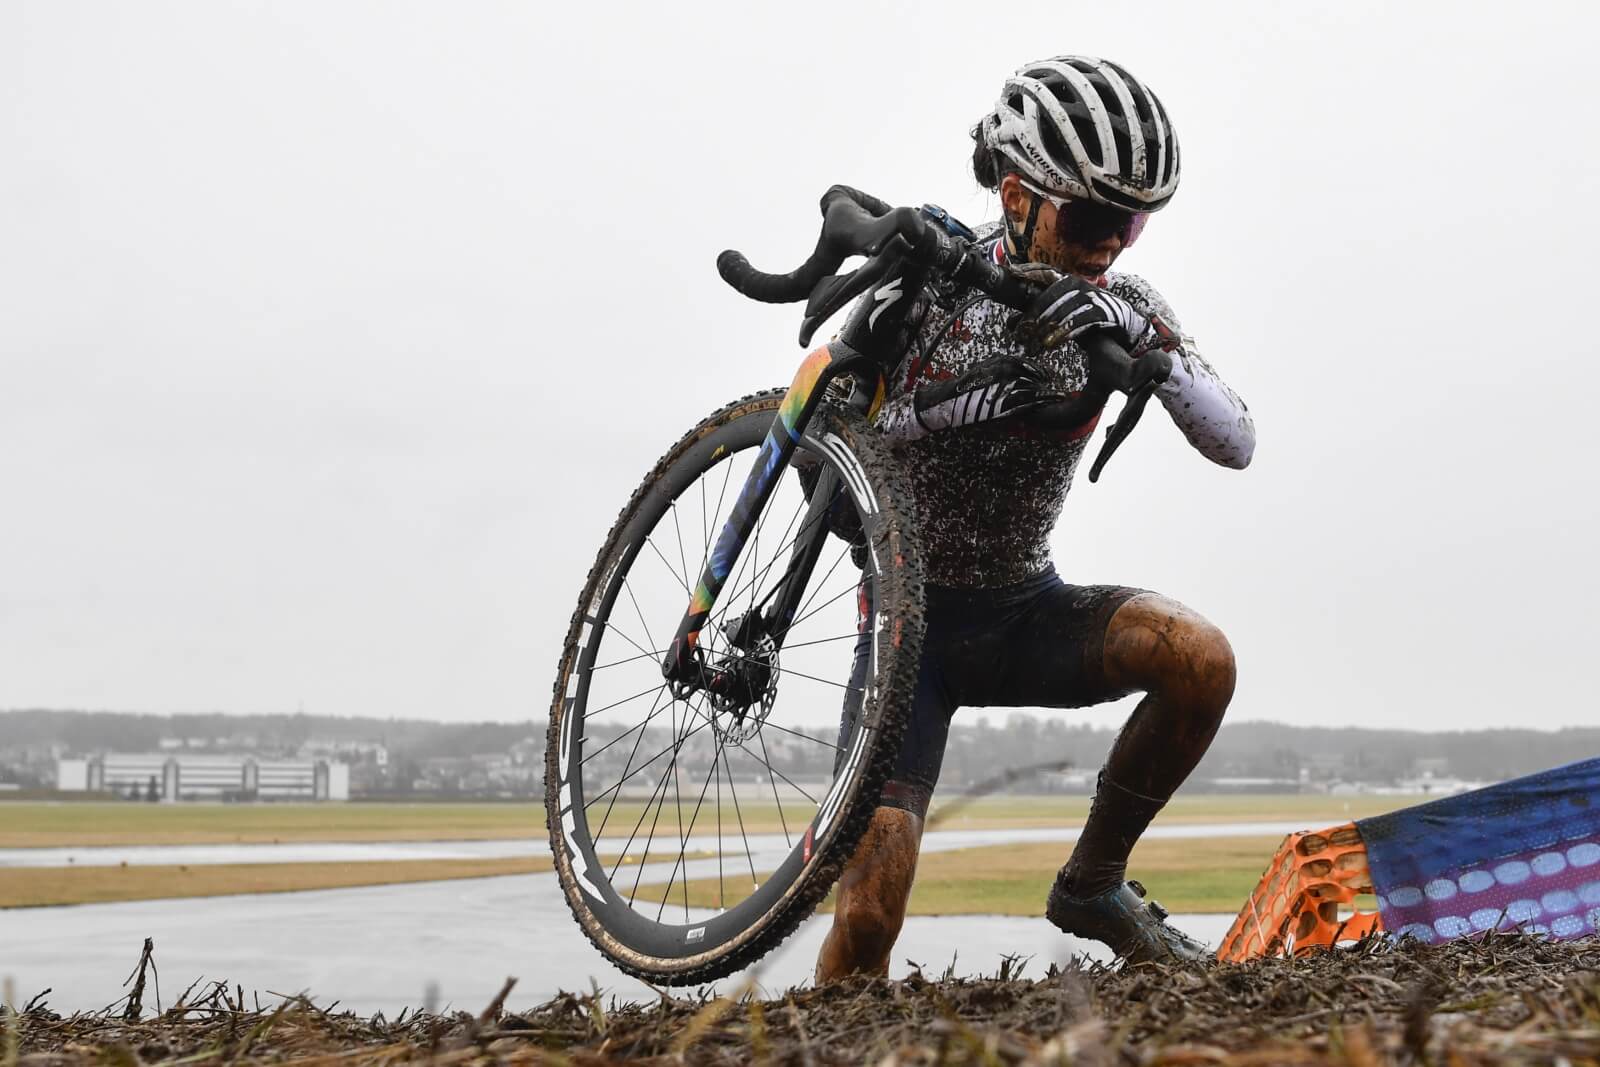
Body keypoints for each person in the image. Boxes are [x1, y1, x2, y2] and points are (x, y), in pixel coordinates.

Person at [818, 56, 1255, 980]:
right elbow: (828, 420)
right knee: (865, 920)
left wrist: (1144, 345)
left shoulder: (1123, 303)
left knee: (1200, 658)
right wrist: (958, 397)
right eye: (1095, 218)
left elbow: (1237, 439)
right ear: (1017, 196)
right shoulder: (933, 287)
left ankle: (1092, 883)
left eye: (1132, 221)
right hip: (912, 634)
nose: (1115, 243)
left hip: (1024, 606)